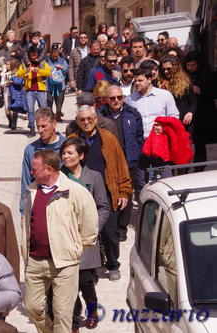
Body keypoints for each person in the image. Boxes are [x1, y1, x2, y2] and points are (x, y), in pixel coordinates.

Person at [21, 149, 98, 333]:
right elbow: (26, 224)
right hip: (35, 262)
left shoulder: (75, 191)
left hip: (64, 262)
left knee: (63, 313)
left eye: (34, 169)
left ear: (49, 170)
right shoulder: (30, 191)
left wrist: (75, 247)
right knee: (32, 308)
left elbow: (89, 226)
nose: (31, 173)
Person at [68, 105, 132, 281]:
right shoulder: (72, 140)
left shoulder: (108, 139)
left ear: (96, 119)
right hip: (81, 193)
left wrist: (124, 192)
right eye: (82, 119)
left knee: (110, 231)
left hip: (107, 192)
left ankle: (113, 264)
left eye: (90, 118)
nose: (86, 122)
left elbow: (121, 164)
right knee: (86, 233)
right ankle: (92, 269)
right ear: (77, 122)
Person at [59, 138, 110, 332]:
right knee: (67, 285)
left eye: (70, 153)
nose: (66, 156)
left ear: (81, 155)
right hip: (64, 238)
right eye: (64, 153)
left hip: (86, 240)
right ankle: (72, 322)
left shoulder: (94, 177)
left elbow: (103, 207)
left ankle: (92, 309)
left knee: (86, 282)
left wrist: (92, 228)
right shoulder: (58, 177)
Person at [99, 86, 144, 241]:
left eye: (119, 97)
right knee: (110, 192)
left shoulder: (132, 113)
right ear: (106, 99)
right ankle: (110, 225)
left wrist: (136, 155)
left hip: (129, 160)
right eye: (112, 98)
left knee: (127, 193)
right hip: (109, 161)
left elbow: (139, 137)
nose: (116, 101)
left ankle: (122, 227)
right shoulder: (100, 115)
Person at [20, 108, 66, 212]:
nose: (40, 130)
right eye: (38, 127)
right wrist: (24, 212)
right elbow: (26, 183)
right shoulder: (30, 150)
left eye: (44, 126)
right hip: (39, 205)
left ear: (54, 124)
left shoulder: (67, 147)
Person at [125, 67, 179, 139]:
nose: (137, 83)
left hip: (160, 139)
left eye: (140, 80)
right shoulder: (129, 99)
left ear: (149, 79)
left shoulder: (165, 95)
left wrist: (164, 128)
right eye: (135, 81)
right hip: (139, 141)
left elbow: (174, 116)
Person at [17, 46, 51, 137]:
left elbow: (48, 73)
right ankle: (32, 128)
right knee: (30, 110)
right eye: (31, 55)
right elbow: (18, 75)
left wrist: (39, 70)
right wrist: (26, 71)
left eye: (35, 55)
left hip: (40, 90)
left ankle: (45, 126)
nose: (33, 57)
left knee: (44, 109)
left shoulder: (42, 62)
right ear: (29, 55)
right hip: (29, 90)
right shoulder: (25, 64)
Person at [158, 55, 196, 133]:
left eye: (169, 69)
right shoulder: (159, 82)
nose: (166, 71)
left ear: (175, 68)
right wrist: (159, 91)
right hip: (165, 123)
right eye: (164, 69)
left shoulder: (185, 82)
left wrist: (190, 112)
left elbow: (193, 101)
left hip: (182, 122)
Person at [46, 45, 68, 121]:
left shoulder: (62, 60)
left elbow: (66, 70)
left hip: (60, 85)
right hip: (49, 85)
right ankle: (50, 116)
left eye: (56, 55)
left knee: (59, 100)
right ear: (50, 54)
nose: (55, 56)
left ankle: (58, 114)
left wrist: (62, 68)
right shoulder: (47, 60)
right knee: (49, 101)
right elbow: (42, 69)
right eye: (53, 55)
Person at [5, 60, 26, 130]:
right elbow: (1, 83)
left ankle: (14, 124)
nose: (7, 66)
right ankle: (10, 121)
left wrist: (12, 81)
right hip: (7, 93)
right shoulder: (5, 73)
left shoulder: (20, 74)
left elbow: (21, 82)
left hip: (16, 92)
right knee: (6, 109)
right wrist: (6, 83)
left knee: (15, 108)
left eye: (8, 65)